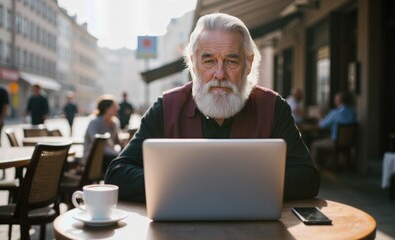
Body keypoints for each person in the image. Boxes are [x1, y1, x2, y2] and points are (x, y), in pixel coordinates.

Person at [105, 13, 320, 202]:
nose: (219, 74)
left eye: (231, 61)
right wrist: (189, 184)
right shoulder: (166, 107)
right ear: (193, 63)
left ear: (249, 64)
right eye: (209, 61)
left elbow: (307, 178)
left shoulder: (273, 108)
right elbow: (117, 174)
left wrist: (227, 184)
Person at [310, 91, 357, 167]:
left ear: (339, 101)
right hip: (349, 143)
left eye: (335, 100)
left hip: (335, 142)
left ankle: (313, 168)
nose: (335, 102)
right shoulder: (352, 113)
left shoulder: (335, 113)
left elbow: (322, 125)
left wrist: (320, 116)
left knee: (314, 144)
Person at [84, 94, 122, 174]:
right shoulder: (94, 122)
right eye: (114, 106)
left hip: (109, 156)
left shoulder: (114, 123)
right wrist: (117, 153)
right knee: (118, 164)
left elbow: (118, 142)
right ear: (106, 109)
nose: (117, 108)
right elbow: (97, 144)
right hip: (94, 158)